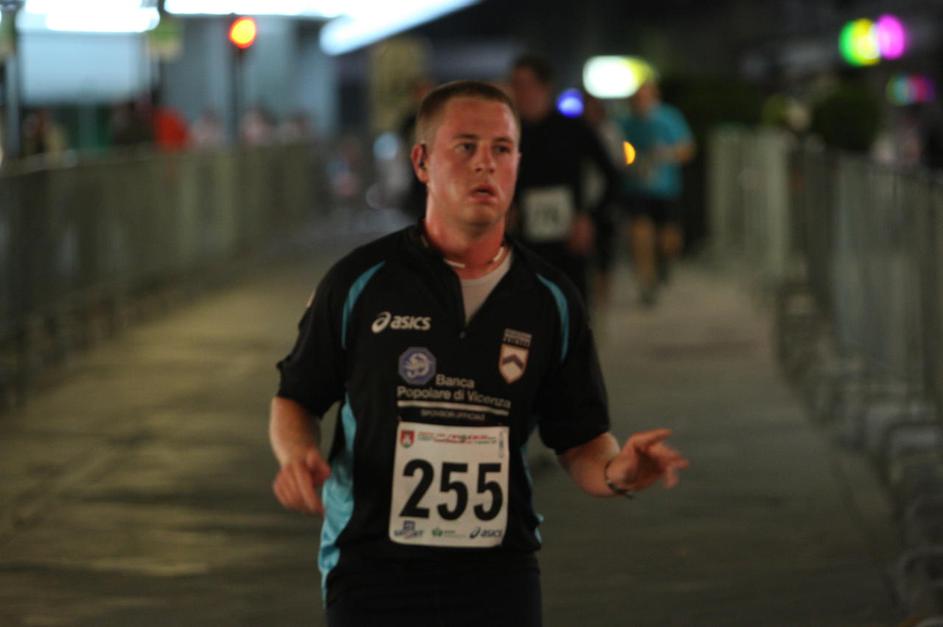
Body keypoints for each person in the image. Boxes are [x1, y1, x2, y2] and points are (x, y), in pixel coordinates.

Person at [270, 80, 688, 627]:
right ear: (422, 162)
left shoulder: (550, 300)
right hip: (370, 568)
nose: (485, 163)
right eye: (465, 146)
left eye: (502, 149)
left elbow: (580, 439)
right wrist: (297, 455)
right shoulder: (360, 282)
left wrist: (618, 471)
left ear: (518, 164)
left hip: (498, 575)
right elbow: (297, 397)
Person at [509, 55, 619, 304]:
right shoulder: (509, 133)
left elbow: (611, 176)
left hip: (569, 237)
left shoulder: (573, 129)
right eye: (516, 85)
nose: (521, 93)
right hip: (522, 239)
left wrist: (590, 218)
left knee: (572, 305)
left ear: (545, 87)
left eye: (527, 85)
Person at [618, 78, 695, 306]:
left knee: (668, 238)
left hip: (666, 189)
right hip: (636, 188)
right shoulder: (625, 122)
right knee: (639, 232)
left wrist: (668, 154)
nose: (641, 103)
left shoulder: (669, 118)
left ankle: (664, 263)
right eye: (637, 99)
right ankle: (646, 281)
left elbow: (688, 149)